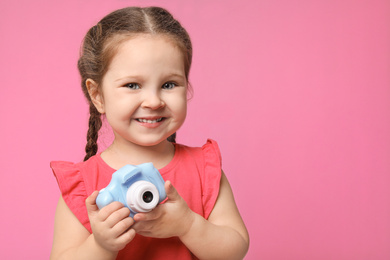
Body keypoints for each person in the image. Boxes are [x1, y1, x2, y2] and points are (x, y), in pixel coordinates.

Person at [50, 6, 249, 260]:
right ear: (98, 95)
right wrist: (101, 245)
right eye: (132, 85)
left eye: (169, 84)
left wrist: (188, 225)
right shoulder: (84, 187)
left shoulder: (204, 170)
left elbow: (236, 249)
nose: (154, 101)